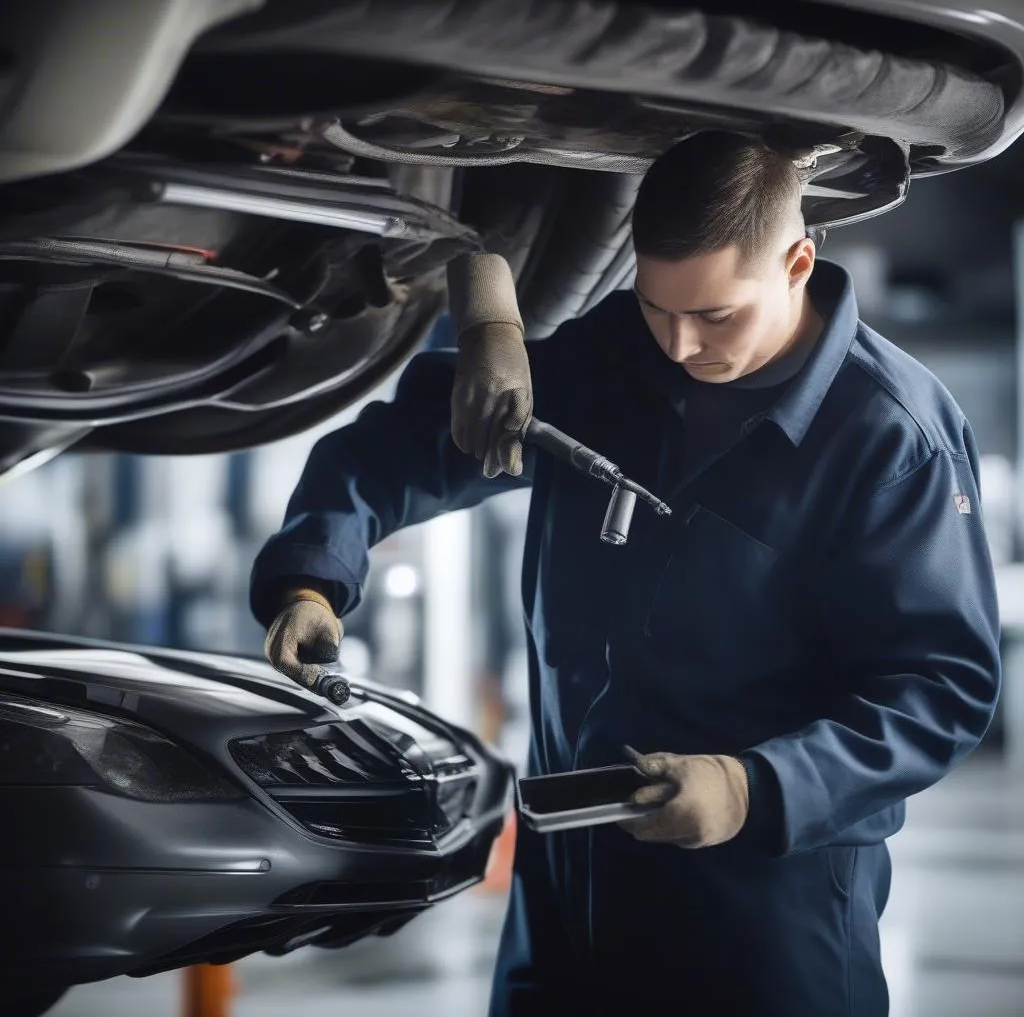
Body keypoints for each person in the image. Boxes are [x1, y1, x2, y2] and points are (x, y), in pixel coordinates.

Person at [251, 131, 1000, 1016]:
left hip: (762, 912)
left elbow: (938, 688)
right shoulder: (612, 361)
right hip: (567, 891)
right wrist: (312, 577)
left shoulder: (889, 437)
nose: (679, 344)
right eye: (655, 305)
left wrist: (756, 787)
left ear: (798, 261)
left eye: (716, 316)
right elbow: (401, 447)